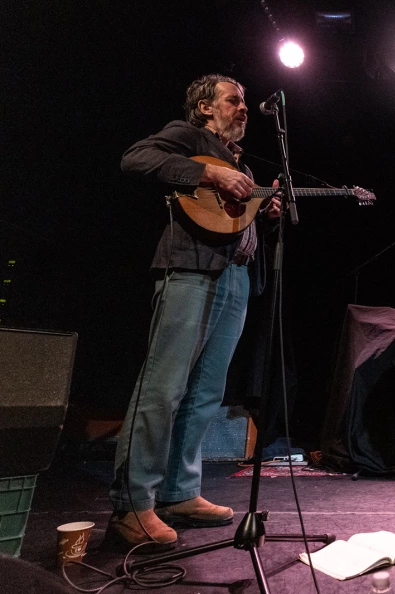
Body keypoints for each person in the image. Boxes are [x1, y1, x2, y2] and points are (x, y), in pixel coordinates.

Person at [107, 74, 282, 551]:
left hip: (235, 275)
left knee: (206, 391)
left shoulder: (240, 159)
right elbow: (135, 158)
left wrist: (261, 214)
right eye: (234, 99)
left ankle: (178, 492)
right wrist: (210, 174)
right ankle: (131, 502)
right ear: (205, 108)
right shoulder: (191, 138)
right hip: (188, 269)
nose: (243, 107)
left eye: (245, 101)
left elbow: (229, 219)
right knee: (163, 387)